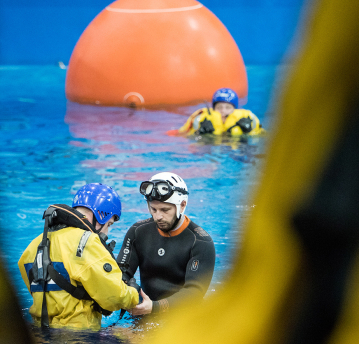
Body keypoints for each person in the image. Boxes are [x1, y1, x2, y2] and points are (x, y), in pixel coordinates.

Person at [18, 183, 139, 330]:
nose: (107, 232)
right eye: (110, 224)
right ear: (102, 215)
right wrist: (133, 293)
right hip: (79, 338)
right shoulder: (87, 241)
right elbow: (113, 298)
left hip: (39, 331)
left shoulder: (34, 245)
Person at [117, 172, 215, 316]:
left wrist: (155, 307)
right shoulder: (138, 232)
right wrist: (128, 291)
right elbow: (121, 272)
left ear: (182, 205)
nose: (158, 216)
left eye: (165, 210)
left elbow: (195, 292)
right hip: (145, 311)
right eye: (153, 209)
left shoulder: (200, 242)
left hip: (182, 318)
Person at [169, 87, 265, 137]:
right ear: (213, 108)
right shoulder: (202, 119)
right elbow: (180, 134)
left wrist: (248, 132)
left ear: (234, 109)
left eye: (228, 107)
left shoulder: (246, 119)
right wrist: (198, 134)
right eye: (219, 107)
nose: (223, 111)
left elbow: (265, 135)